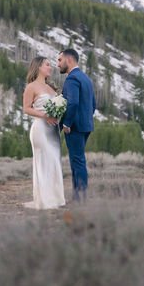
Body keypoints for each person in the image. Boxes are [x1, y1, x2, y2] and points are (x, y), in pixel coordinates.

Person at [21, 56, 66, 210]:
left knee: (54, 162)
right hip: (40, 129)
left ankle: (56, 198)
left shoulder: (51, 88)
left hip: (53, 131)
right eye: (47, 65)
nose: (50, 67)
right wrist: (45, 116)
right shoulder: (31, 87)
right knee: (43, 163)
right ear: (39, 67)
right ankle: (45, 200)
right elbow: (26, 108)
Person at [58, 48, 96, 202]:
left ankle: (81, 197)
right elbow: (93, 104)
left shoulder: (72, 79)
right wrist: (85, 119)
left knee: (78, 161)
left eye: (60, 60)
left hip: (74, 127)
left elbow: (72, 102)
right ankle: (77, 195)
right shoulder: (86, 78)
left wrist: (67, 123)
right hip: (85, 126)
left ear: (69, 60)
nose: (58, 64)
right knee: (77, 160)